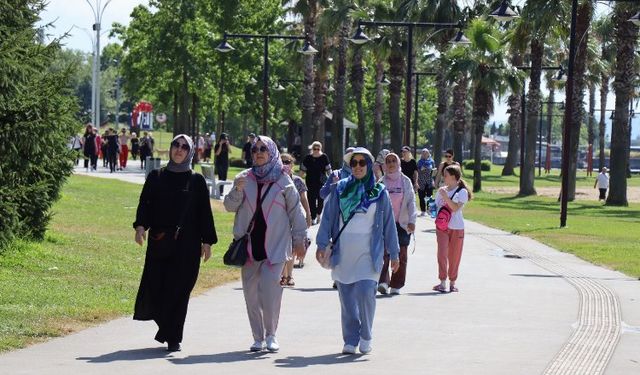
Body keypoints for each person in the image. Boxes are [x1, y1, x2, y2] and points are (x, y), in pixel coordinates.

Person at [133, 134, 217, 352]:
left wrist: (207, 242)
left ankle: (173, 336)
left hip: (188, 245)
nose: (179, 150)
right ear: (170, 148)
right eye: (175, 145)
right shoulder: (156, 176)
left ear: (190, 152)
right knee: (159, 286)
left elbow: (204, 213)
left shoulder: (196, 180)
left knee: (180, 289)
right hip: (160, 243)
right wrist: (140, 226)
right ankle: (168, 327)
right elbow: (145, 204)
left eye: (184, 147)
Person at [224, 135, 307, 353]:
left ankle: (271, 335)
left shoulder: (283, 180)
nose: (258, 152)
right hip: (249, 248)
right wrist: (237, 190)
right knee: (251, 294)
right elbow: (229, 207)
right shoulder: (244, 178)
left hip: (276, 248)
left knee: (270, 293)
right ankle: (257, 337)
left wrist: (300, 240)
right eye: (254, 149)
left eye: (263, 149)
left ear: (271, 152)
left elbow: (296, 212)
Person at [315, 147, 400, 355]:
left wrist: (395, 253)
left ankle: (366, 335)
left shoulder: (379, 193)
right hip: (344, 252)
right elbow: (328, 217)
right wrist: (321, 242)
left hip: (369, 253)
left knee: (365, 293)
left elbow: (389, 224)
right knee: (347, 298)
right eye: (354, 163)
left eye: (362, 163)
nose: (358, 167)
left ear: (370, 166)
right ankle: (351, 338)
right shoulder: (340, 188)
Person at [378, 152, 417, 295]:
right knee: (384, 254)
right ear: (384, 165)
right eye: (388, 161)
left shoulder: (405, 181)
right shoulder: (381, 182)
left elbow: (411, 202)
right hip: (385, 224)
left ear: (398, 163)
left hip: (402, 224)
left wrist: (412, 221)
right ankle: (383, 281)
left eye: (394, 160)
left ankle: (396, 284)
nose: (391, 163)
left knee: (401, 255)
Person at [432, 164, 472, 294]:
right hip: (442, 227)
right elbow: (437, 207)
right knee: (442, 254)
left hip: (457, 227)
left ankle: (452, 282)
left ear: (454, 177)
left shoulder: (462, 192)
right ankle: (442, 282)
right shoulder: (441, 190)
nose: (444, 177)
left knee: (454, 256)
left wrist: (445, 197)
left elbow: (455, 208)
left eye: (446, 175)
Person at [280, 153, 312, 285]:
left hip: (294, 217)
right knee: (281, 247)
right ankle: (283, 275)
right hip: (280, 218)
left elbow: (304, 199)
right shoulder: (277, 179)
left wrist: (308, 215)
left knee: (292, 248)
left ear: (292, 164)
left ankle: (290, 275)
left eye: (288, 162)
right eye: (282, 161)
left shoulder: (298, 181)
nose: (285, 164)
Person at [300, 141, 332, 225]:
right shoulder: (308, 158)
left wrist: (332, 178)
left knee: (321, 199)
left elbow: (328, 169)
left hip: (321, 182)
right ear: (312, 149)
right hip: (310, 182)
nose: (316, 150)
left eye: (318, 149)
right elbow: (302, 170)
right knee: (311, 200)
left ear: (320, 149)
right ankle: (313, 217)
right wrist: (298, 179)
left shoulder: (324, 157)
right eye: (315, 148)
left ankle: (319, 214)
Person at [417, 148, 436, 216]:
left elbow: (434, 171)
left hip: (429, 181)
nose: (424, 154)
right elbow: (417, 171)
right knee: (421, 197)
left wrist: (433, 180)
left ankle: (429, 210)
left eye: (426, 153)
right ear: (421, 154)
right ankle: (423, 210)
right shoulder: (419, 162)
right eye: (423, 153)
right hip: (421, 181)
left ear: (428, 154)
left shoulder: (431, 161)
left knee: (429, 196)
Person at [214, 133, 231, 197]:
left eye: (226, 139)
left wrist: (228, 145)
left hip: (225, 163)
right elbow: (217, 153)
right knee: (220, 177)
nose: (225, 140)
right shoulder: (217, 145)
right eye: (224, 139)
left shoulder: (226, 145)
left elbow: (230, 151)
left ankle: (221, 191)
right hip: (219, 164)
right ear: (221, 139)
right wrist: (220, 145)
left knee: (224, 178)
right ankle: (220, 191)